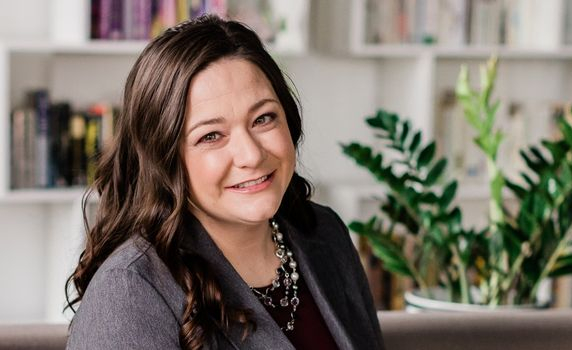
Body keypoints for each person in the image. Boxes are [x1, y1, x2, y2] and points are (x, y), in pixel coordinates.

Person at [65, 15, 383, 350]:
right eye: (211, 136)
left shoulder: (324, 234)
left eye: (263, 118)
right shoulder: (130, 290)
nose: (251, 154)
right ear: (164, 159)